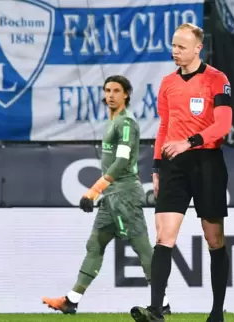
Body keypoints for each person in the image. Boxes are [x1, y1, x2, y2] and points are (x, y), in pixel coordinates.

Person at [42, 75, 170, 315]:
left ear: (126, 95)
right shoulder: (112, 122)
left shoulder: (126, 123)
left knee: (142, 247)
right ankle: (72, 300)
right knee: (95, 244)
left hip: (124, 196)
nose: (110, 95)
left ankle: (161, 303)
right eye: (107, 90)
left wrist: (94, 190)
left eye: (116, 90)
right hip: (111, 197)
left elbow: (122, 162)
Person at [130, 23, 233, 322]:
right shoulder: (167, 83)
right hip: (174, 163)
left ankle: (216, 312)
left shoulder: (217, 79)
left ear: (198, 48)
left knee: (214, 239)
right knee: (164, 237)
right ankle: (156, 310)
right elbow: (164, 126)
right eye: (174, 45)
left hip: (206, 162)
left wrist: (190, 142)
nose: (175, 51)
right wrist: (157, 167)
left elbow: (223, 124)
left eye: (181, 47)